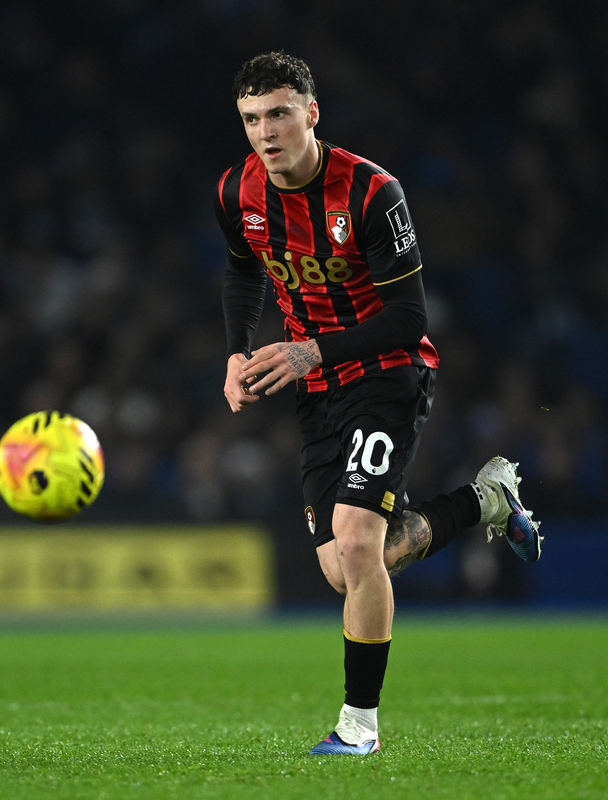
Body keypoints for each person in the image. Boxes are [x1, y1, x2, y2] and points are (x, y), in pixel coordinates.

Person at [215, 51, 543, 755]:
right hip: (318, 392)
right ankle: (485, 501)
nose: (266, 132)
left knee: (359, 543)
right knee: (345, 568)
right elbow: (244, 273)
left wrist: (309, 350)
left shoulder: (370, 192)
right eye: (251, 119)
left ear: (311, 112)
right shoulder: (236, 192)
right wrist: (240, 350)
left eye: (278, 113)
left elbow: (409, 317)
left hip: (386, 373)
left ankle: (358, 727)